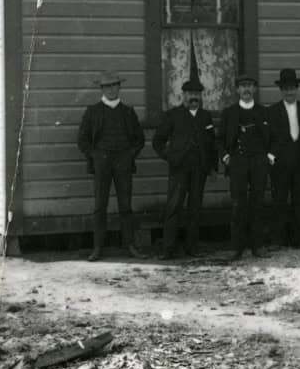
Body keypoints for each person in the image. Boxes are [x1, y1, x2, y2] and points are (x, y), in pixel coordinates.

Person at [76, 70, 148, 261]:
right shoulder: (92, 112)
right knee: (100, 206)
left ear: (119, 87)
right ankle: (98, 248)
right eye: (107, 86)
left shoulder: (128, 112)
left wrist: (129, 155)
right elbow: (82, 140)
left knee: (125, 206)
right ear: (102, 88)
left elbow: (139, 140)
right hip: (102, 163)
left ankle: (129, 245)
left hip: (123, 163)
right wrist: (96, 156)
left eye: (114, 85)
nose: (111, 89)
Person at [152, 75, 216, 258]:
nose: (193, 97)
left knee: (195, 208)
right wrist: (170, 158)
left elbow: (211, 143)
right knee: (173, 208)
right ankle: (168, 249)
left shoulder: (205, 116)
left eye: (197, 93)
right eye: (190, 93)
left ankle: (192, 247)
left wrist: (211, 167)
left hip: (199, 170)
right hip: (179, 169)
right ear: (184, 95)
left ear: (201, 96)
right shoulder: (173, 115)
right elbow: (158, 142)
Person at [220, 75, 274, 259]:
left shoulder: (265, 112)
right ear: (237, 90)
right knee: (238, 204)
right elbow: (219, 140)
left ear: (255, 89)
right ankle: (237, 247)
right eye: (242, 86)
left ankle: (258, 246)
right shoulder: (229, 113)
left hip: (259, 162)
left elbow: (275, 137)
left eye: (249, 86)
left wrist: (270, 156)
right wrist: (226, 157)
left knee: (257, 204)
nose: (246, 89)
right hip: (238, 163)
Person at [267, 68, 300, 249]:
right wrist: (271, 157)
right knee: (279, 200)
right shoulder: (272, 111)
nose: (289, 91)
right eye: (286, 88)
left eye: (292, 88)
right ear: (281, 90)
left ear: (297, 88)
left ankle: (298, 238)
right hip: (280, 164)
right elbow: (269, 138)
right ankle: (277, 239)